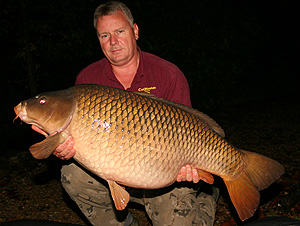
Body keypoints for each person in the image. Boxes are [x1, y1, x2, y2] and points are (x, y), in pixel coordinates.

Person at [33, 1, 218, 225]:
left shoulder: (168, 74)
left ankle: (206, 199)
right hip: (114, 170)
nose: (113, 42)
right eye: (104, 35)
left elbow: (188, 130)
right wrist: (61, 150)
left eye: (120, 31)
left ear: (135, 31)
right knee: (72, 175)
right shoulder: (88, 79)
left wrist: (189, 169)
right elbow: (75, 145)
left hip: (162, 173)